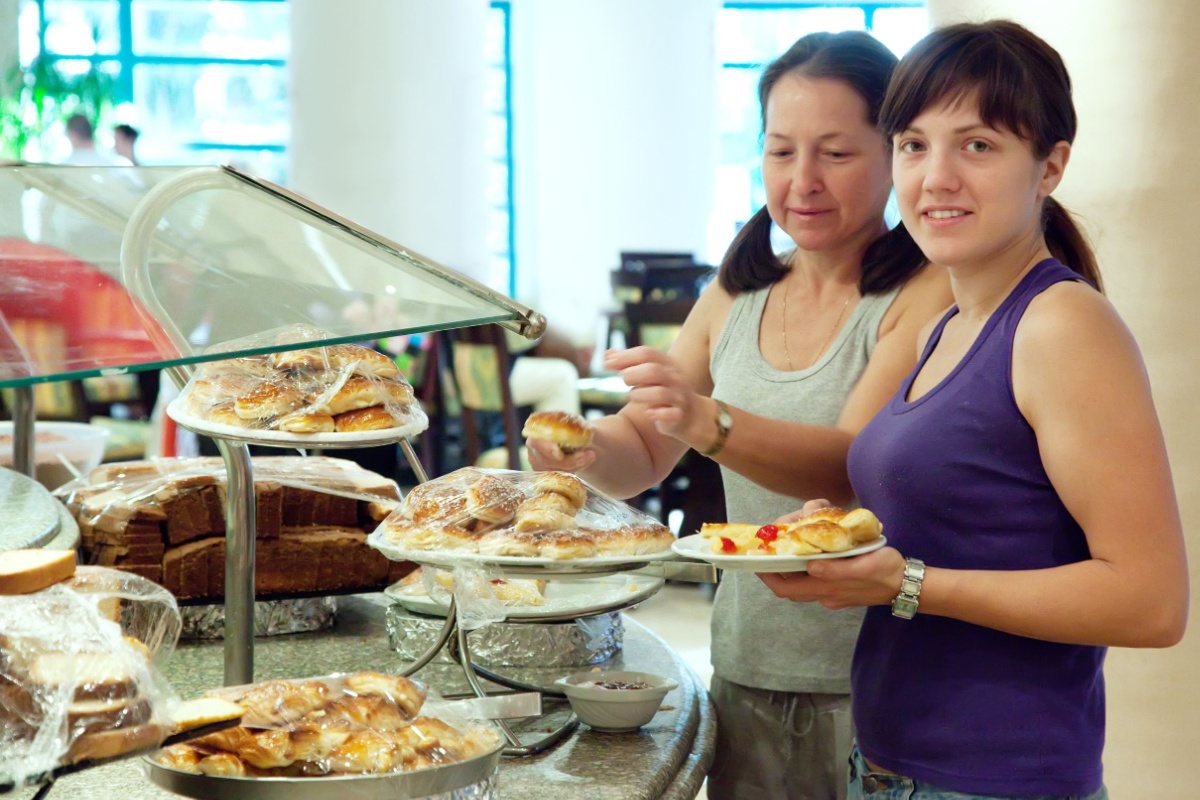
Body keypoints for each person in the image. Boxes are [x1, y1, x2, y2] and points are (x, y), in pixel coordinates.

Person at [758, 21, 1189, 800]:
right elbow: (969, 522)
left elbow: (1151, 602)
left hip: (996, 780)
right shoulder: (948, 325)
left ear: (1049, 166)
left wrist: (908, 584)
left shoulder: (1062, 325)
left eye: (979, 145)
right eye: (914, 144)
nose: (936, 177)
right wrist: (844, 536)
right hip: (891, 766)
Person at [528, 32, 951, 800]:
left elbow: (847, 466)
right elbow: (641, 450)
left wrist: (710, 421)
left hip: (877, 682)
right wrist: (582, 451)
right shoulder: (737, 290)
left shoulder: (924, 294)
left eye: (836, 153)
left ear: (896, 155)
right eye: (781, 152)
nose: (804, 181)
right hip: (746, 666)